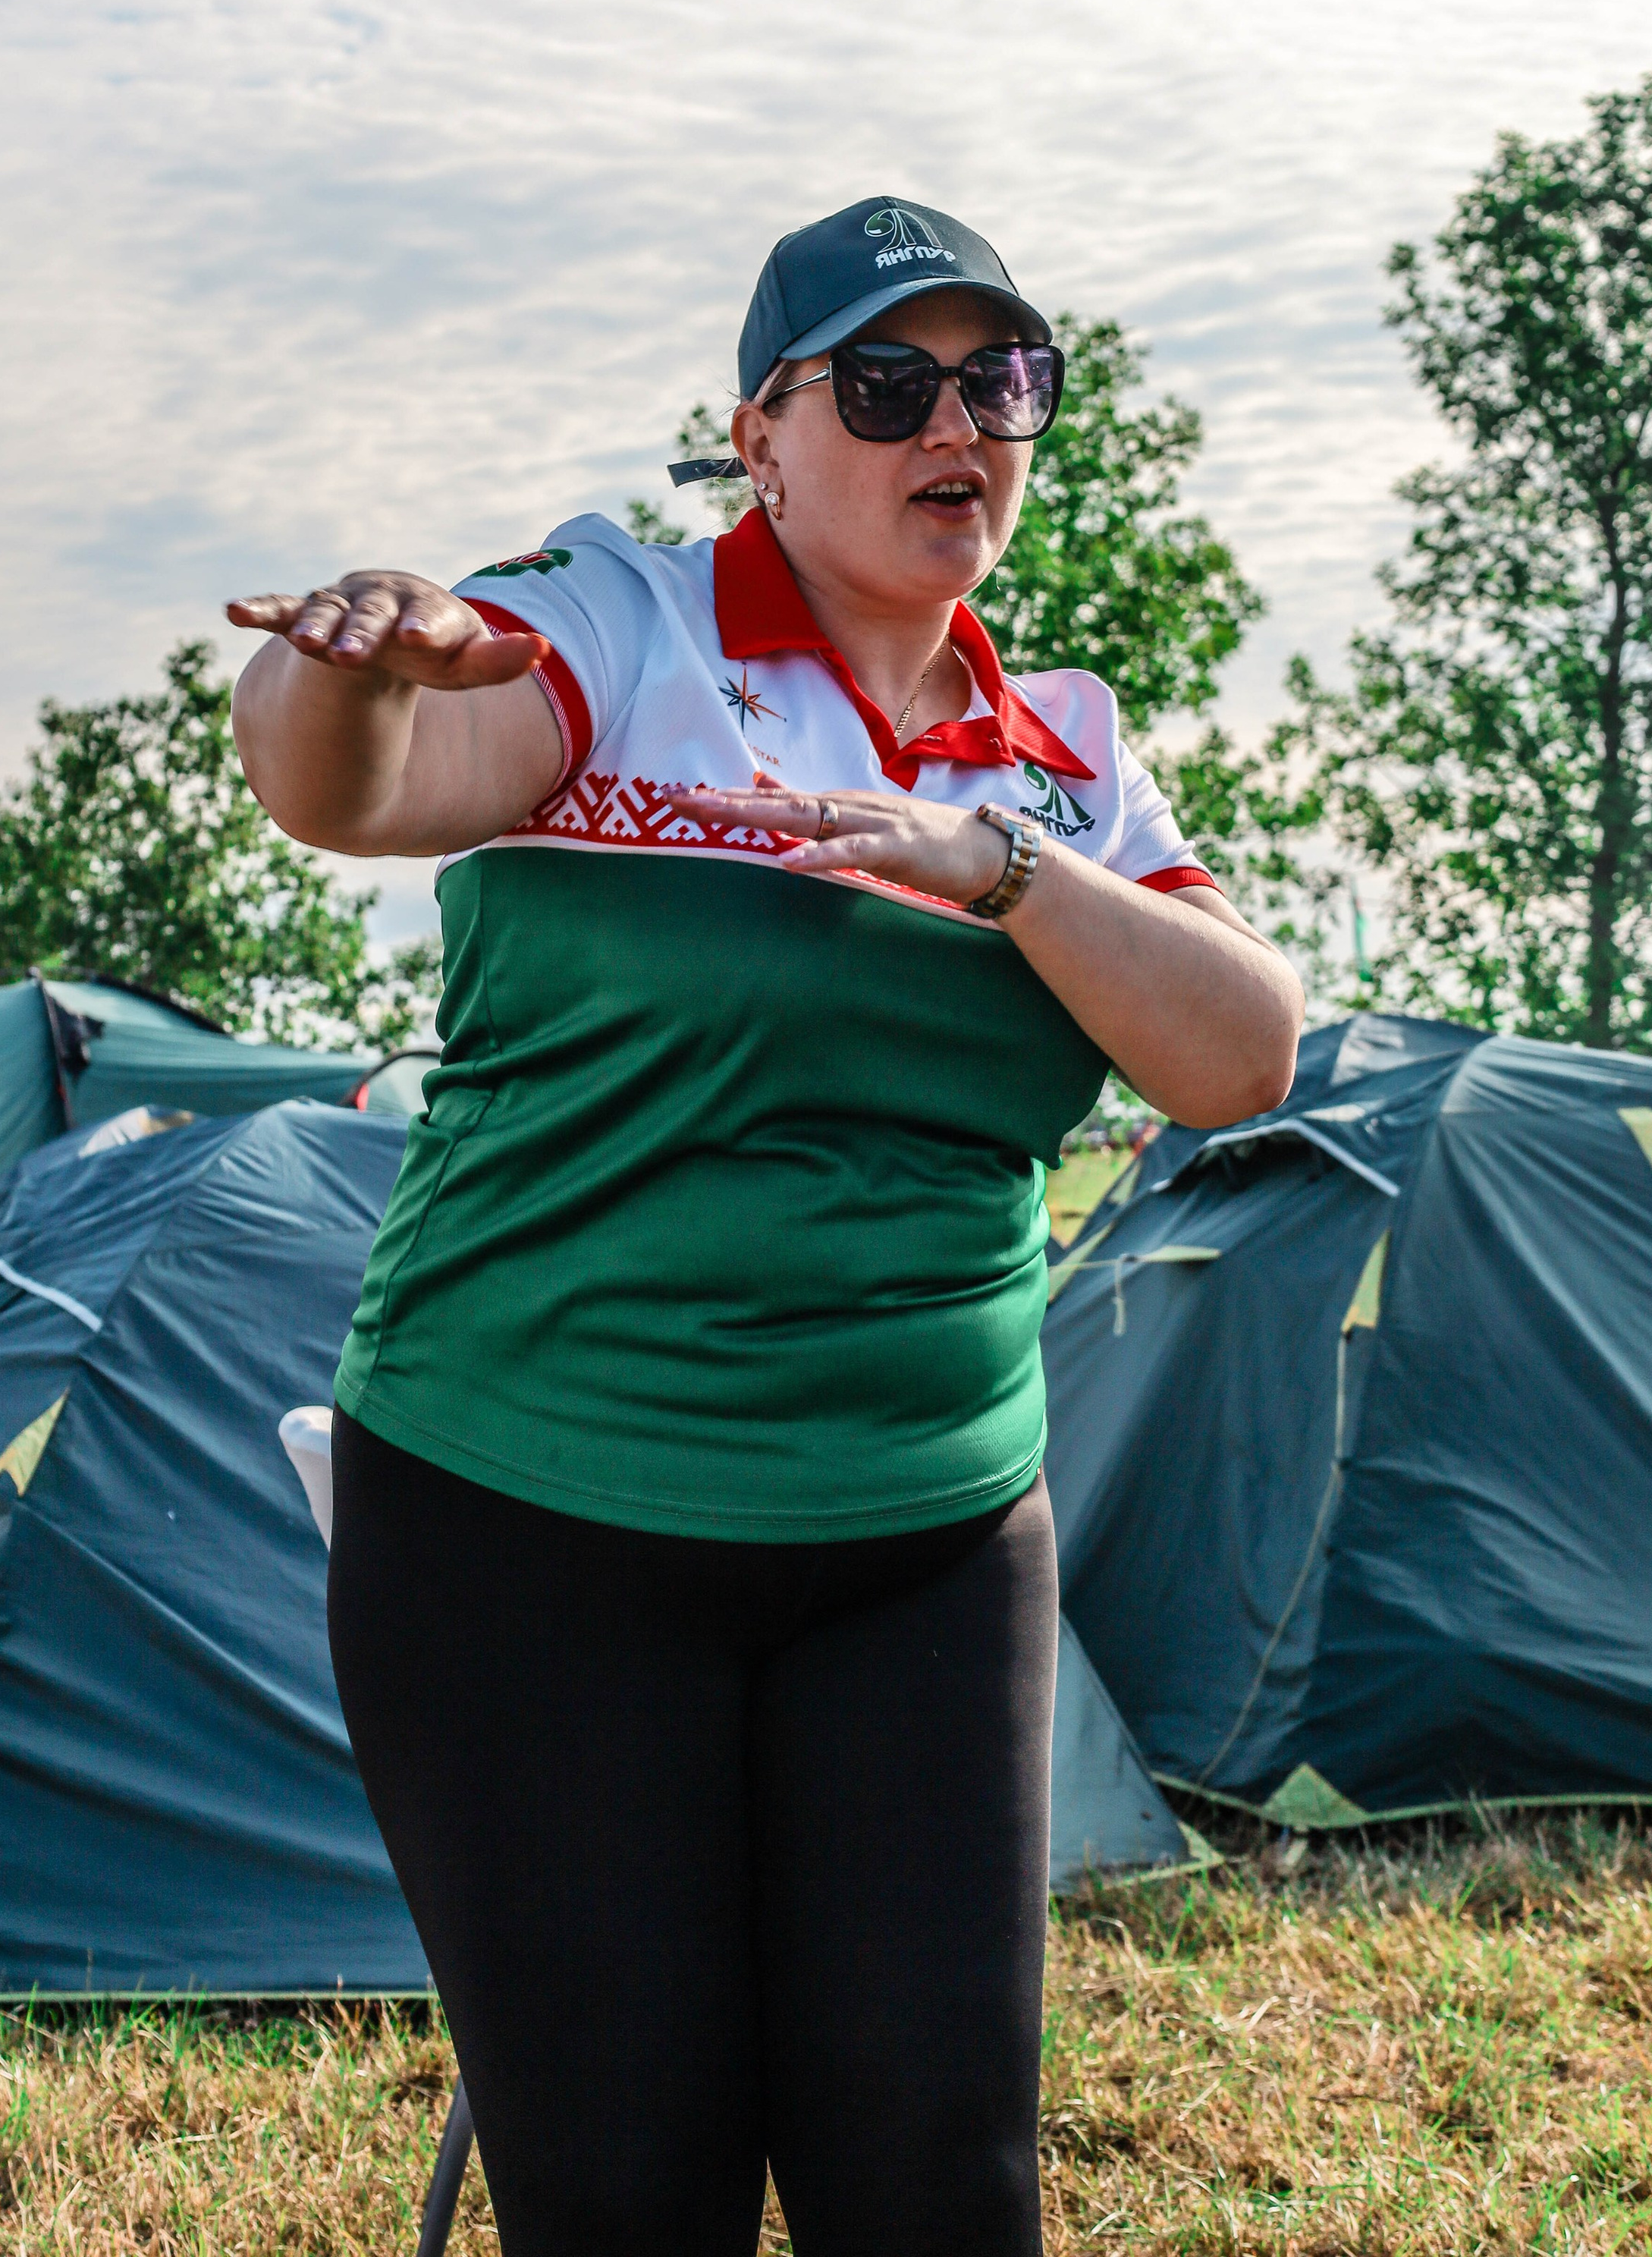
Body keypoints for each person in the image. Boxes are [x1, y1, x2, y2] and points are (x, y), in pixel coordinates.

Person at [228, 195, 1301, 2257]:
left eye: (1000, 380)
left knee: (943, 2185)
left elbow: (1240, 1056)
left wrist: (998, 870)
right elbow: (347, 786)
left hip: (924, 1539)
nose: (955, 423)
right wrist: (347, 667)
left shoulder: (1064, 752)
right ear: (762, 439)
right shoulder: (625, 624)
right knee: (635, 2193)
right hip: (536, 1531)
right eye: (887, 384)